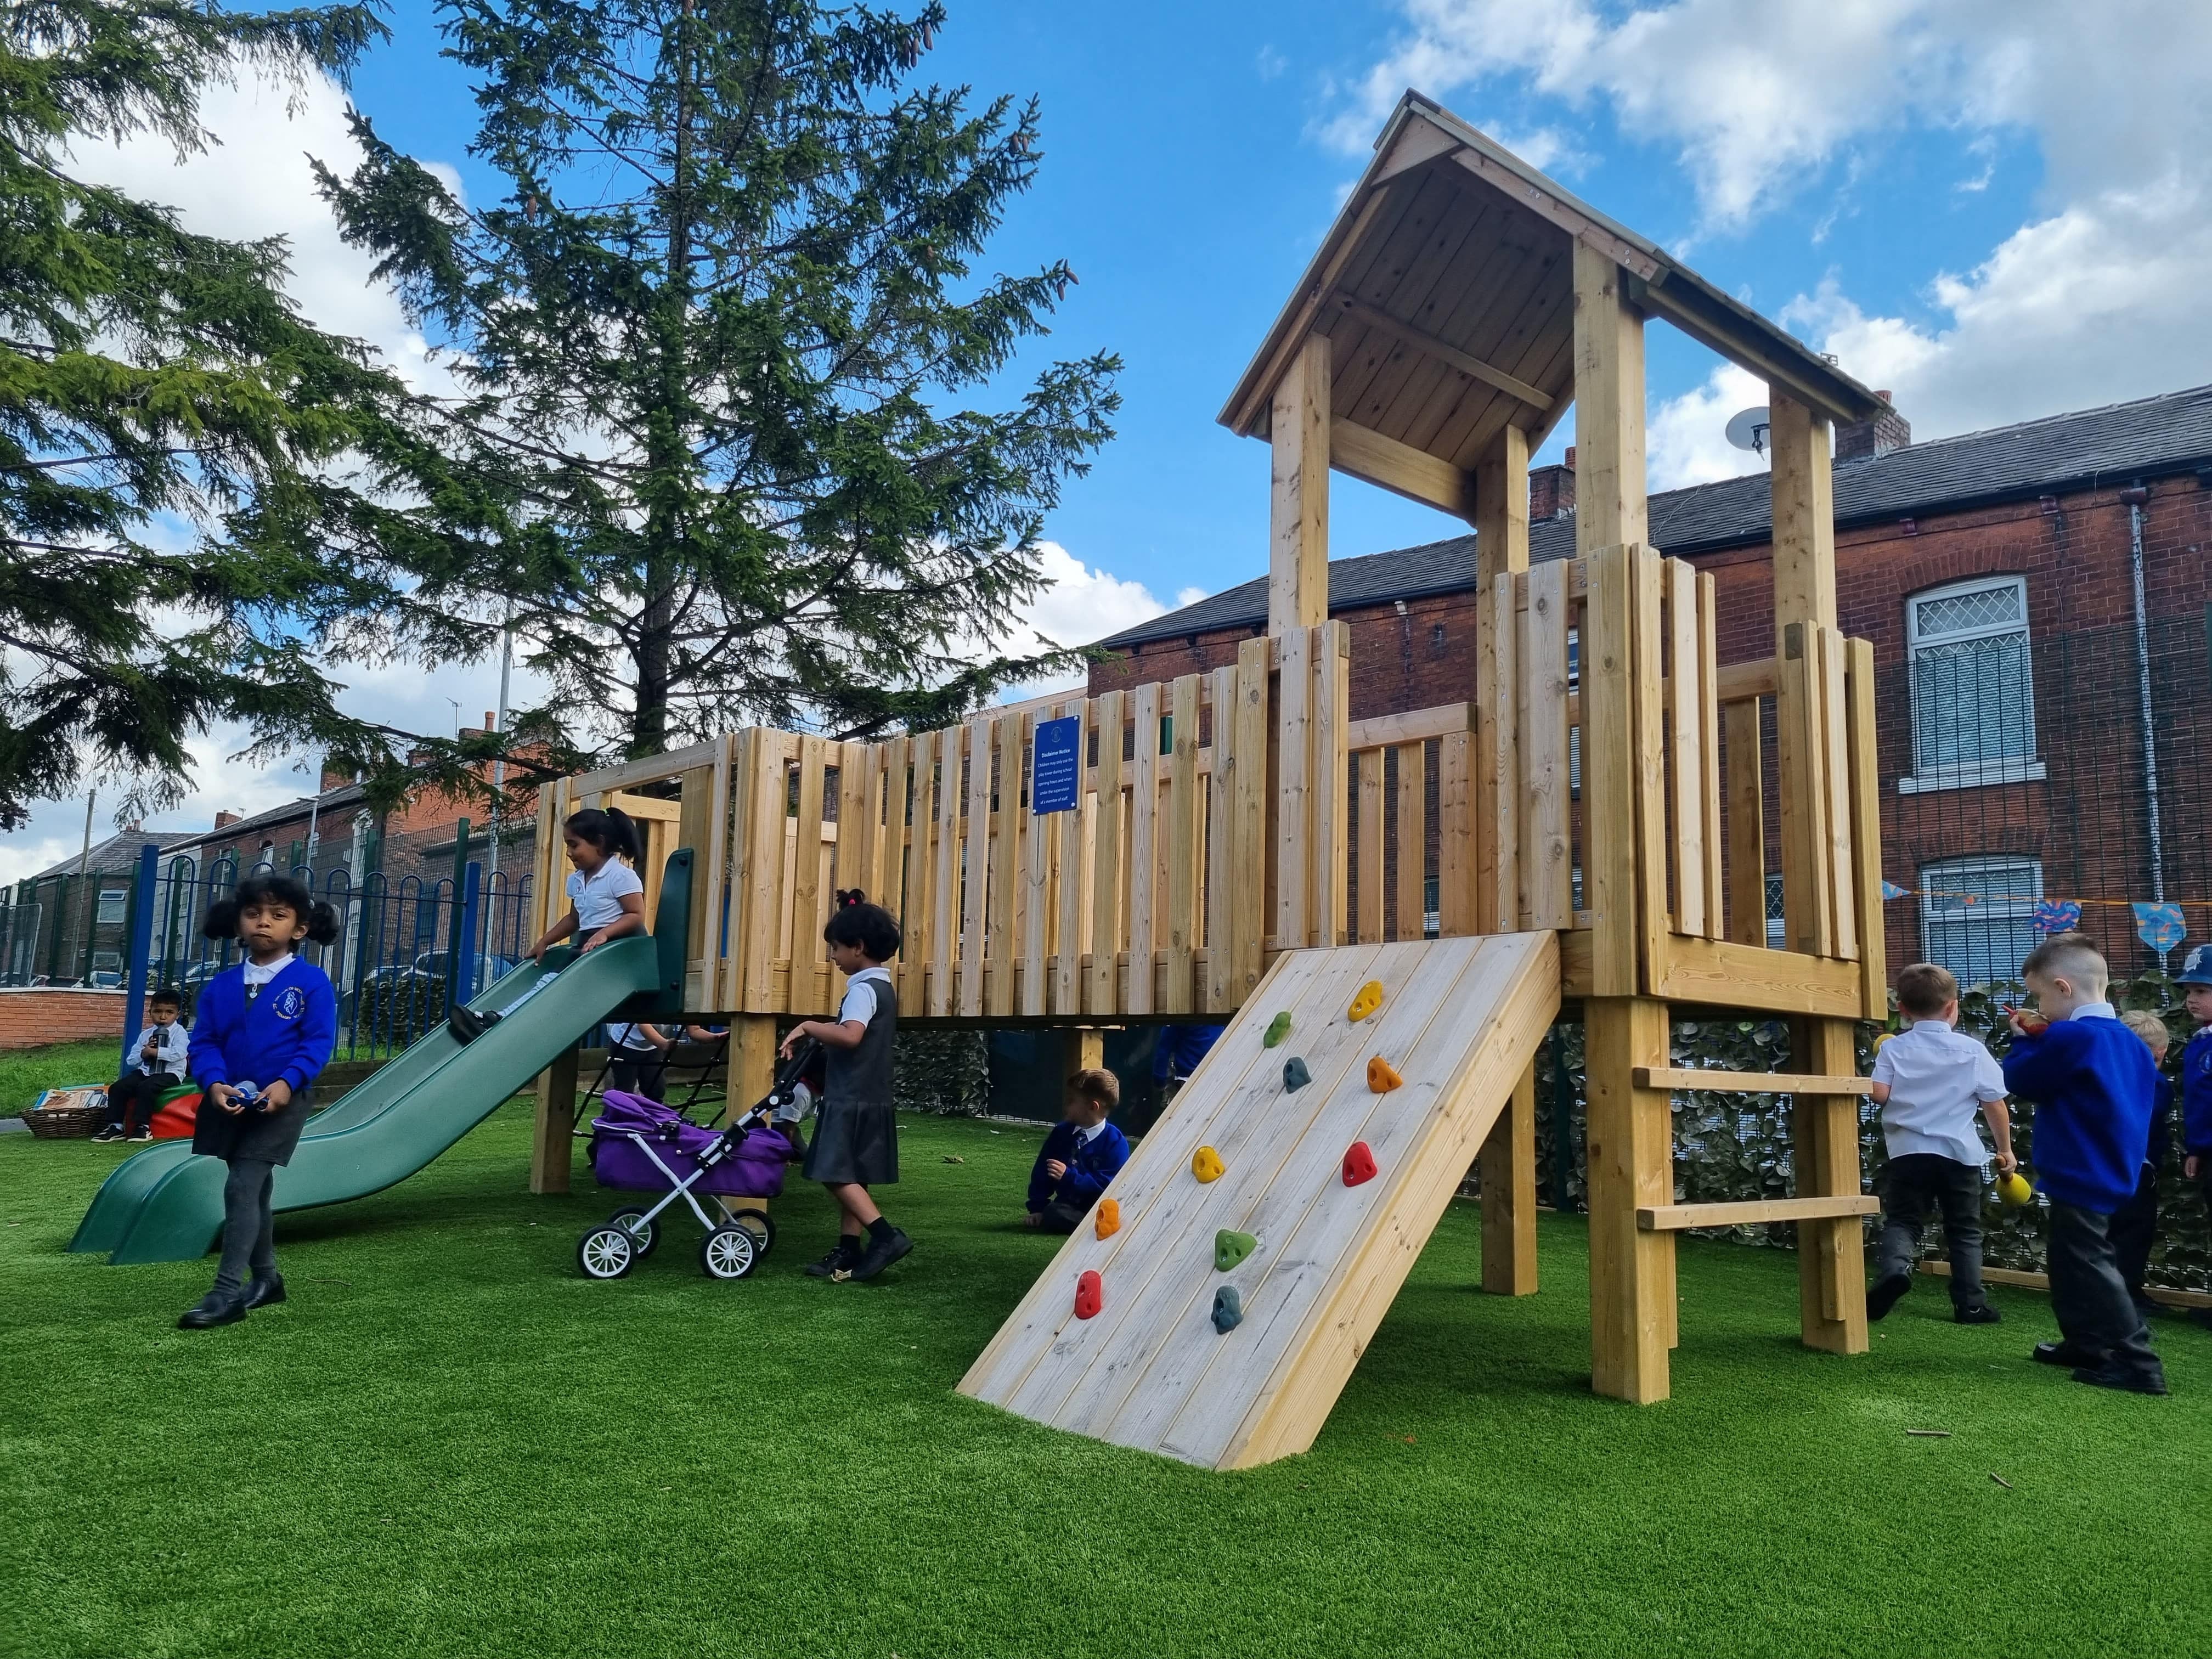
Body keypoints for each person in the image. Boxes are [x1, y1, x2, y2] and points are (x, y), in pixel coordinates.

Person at [2002, 932, 2165, 1393]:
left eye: (2039, 997)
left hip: (2080, 1166)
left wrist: (2022, 1039)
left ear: (2063, 988)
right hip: (2113, 1164)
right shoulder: (2129, 1042)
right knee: (2070, 1258)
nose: (2040, 1008)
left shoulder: (2071, 1034)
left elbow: (2021, 1079)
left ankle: (2138, 1362)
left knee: (2089, 1261)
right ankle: (2086, 1341)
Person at [176, 873, 339, 1330]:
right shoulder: (221, 986)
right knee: (255, 1189)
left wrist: (288, 1083)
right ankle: (268, 1280)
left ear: (300, 929)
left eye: (278, 915)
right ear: (238, 923)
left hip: (282, 1101)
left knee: (242, 1186)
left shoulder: (311, 982)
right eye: (253, 914)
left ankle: (226, 1294)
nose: (263, 923)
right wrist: (212, 1083)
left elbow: (317, 1043)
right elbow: (204, 1041)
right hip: (229, 1099)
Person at [1865, 963, 2014, 1325]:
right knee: (1963, 1230)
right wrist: (2005, 1150)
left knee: (1903, 1220)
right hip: (1959, 1156)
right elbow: (1994, 1102)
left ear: (1902, 1009)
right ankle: (1971, 1305)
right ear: (1952, 1007)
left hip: (1908, 1154)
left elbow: (1880, 1096)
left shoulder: (1893, 1050)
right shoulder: (1972, 1050)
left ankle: (1895, 1272)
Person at [780, 890, 910, 1282]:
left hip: (850, 1095)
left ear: (858, 948)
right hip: (872, 1095)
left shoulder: (862, 989)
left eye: (836, 948)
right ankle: (849, 1250)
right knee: (854, 1173)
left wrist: (807, 1027)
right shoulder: (882, 987)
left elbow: (851, 1035)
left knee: (833, 1171)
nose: (833, 956)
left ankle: (885, 1236)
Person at [2111, 1009, 2172, 1320]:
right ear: (2161, 1052)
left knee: (2110, 1232)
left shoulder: (2106, 1077)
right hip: (2139, 1169)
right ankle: (2128, 1291)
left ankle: (2117, 1290)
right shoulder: (2157, 1085)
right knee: (2136, 1232)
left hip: (2105, 1165)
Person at [527, 806, 646, 963]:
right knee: (551, 980)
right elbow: (573, 919)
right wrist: (544, 942)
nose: (569, 852)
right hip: (589, 944)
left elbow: (636, 915)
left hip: (620, 949)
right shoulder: (576, 880)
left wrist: (605, 933)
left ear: (599, 843)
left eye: (574, 845)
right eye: (567, 846)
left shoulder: (620, 876)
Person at [1024, 1068, 1130, 1233]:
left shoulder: (1116, 1142)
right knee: (1053, 1212)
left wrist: (1068, 1177)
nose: (1066, 1104)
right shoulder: (1061, 1133)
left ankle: (1098, 1222)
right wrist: (1037, 1208)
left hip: (1098, 1206)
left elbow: (1106, 1186)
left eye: (1072, 1101)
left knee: (1113, 1209)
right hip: (1067, 1207)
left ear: (1093, 1107)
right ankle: (1092, 1226)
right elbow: (1042, 1172)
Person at [93, 987, 190, 1142]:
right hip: (146, 1071)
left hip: (171, 1073)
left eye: (169, 1013)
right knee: (118, 1087)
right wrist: (144, 1054)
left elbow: (180, 1053)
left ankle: (142, 1126)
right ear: (150, 1012)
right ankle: (116, 1126)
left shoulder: (180, 1033)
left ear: (178, 1015)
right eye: (158, 1012)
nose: (163, 1017)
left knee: (146, 1088)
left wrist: (157, 1053)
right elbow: (131, 1060)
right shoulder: (146, 1035)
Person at [2176, 945, 2212, 1330]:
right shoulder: (2202, 1041)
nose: (2192, 1000)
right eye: (2189, 992)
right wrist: (2196, 1149)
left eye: (2201, 991)